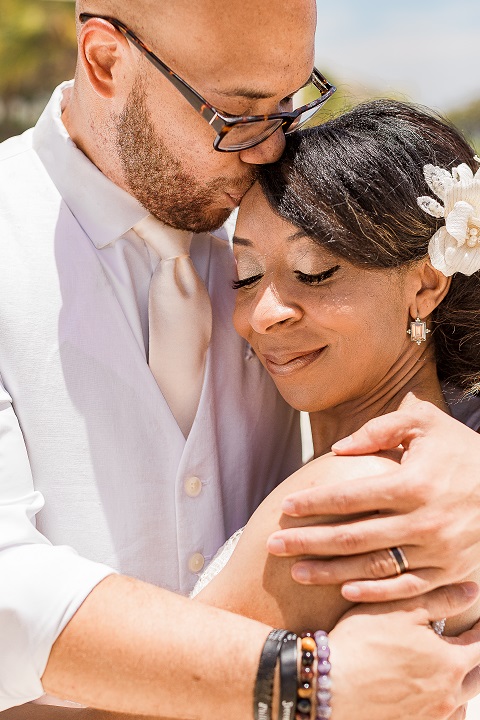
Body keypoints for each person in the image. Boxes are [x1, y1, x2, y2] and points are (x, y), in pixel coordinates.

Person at [1, 0, 480, 717]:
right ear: (105, 60)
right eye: (238, 111)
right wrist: (307, 683)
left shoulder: (283, 206)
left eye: (293, 102)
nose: (270, 149)